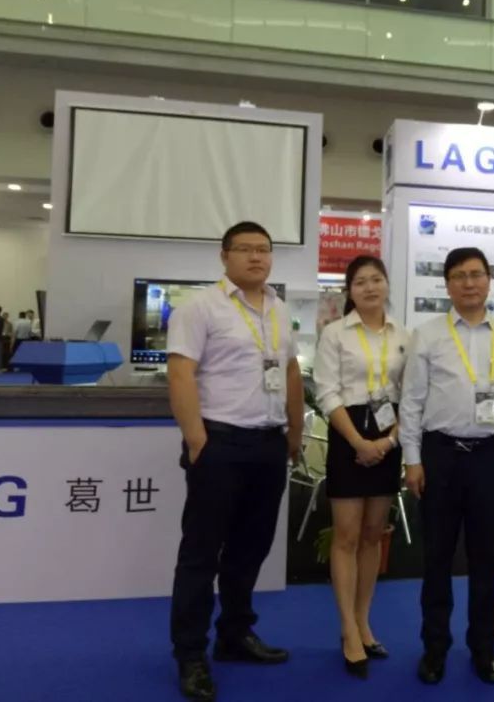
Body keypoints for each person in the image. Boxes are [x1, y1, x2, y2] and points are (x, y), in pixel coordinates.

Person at [166, 221, 303, 702]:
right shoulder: (199, 307)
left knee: (250, 549)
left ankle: (234, 634)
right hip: (219, 444)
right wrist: (196, 438)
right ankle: (190, 654)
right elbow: (180, 373)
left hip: (268, 445)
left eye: (264, 249)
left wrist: (295, 430)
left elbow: (289, 370)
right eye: (245, 249)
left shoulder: (279, 309)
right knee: (201, 554)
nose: (256, 257)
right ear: (224, 256)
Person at [399, 247, 494, 686]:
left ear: (489, 279)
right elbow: (411, 401)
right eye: (459, 276)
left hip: (489, 456)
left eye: (476, 274)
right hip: (440, 456)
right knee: (436, 557)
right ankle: (434, 648)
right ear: (447, 284)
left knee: (486, 558)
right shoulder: (428, 335)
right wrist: (412, 460)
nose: (469, 283)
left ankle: (484, 648)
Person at [313, 255, 409, 679]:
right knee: (347, 536)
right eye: (360, 282)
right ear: (349, 291)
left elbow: (412, 394)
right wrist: (358, 442)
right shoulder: (335, 333)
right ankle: (348, 630)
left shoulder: (404, 336)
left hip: (389, 436)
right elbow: (327, 392)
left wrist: (387, 442)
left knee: (373, 535)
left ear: (386, 284)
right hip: (348, 435)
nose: (370, 288)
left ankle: (364, 620)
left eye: (376, 280)